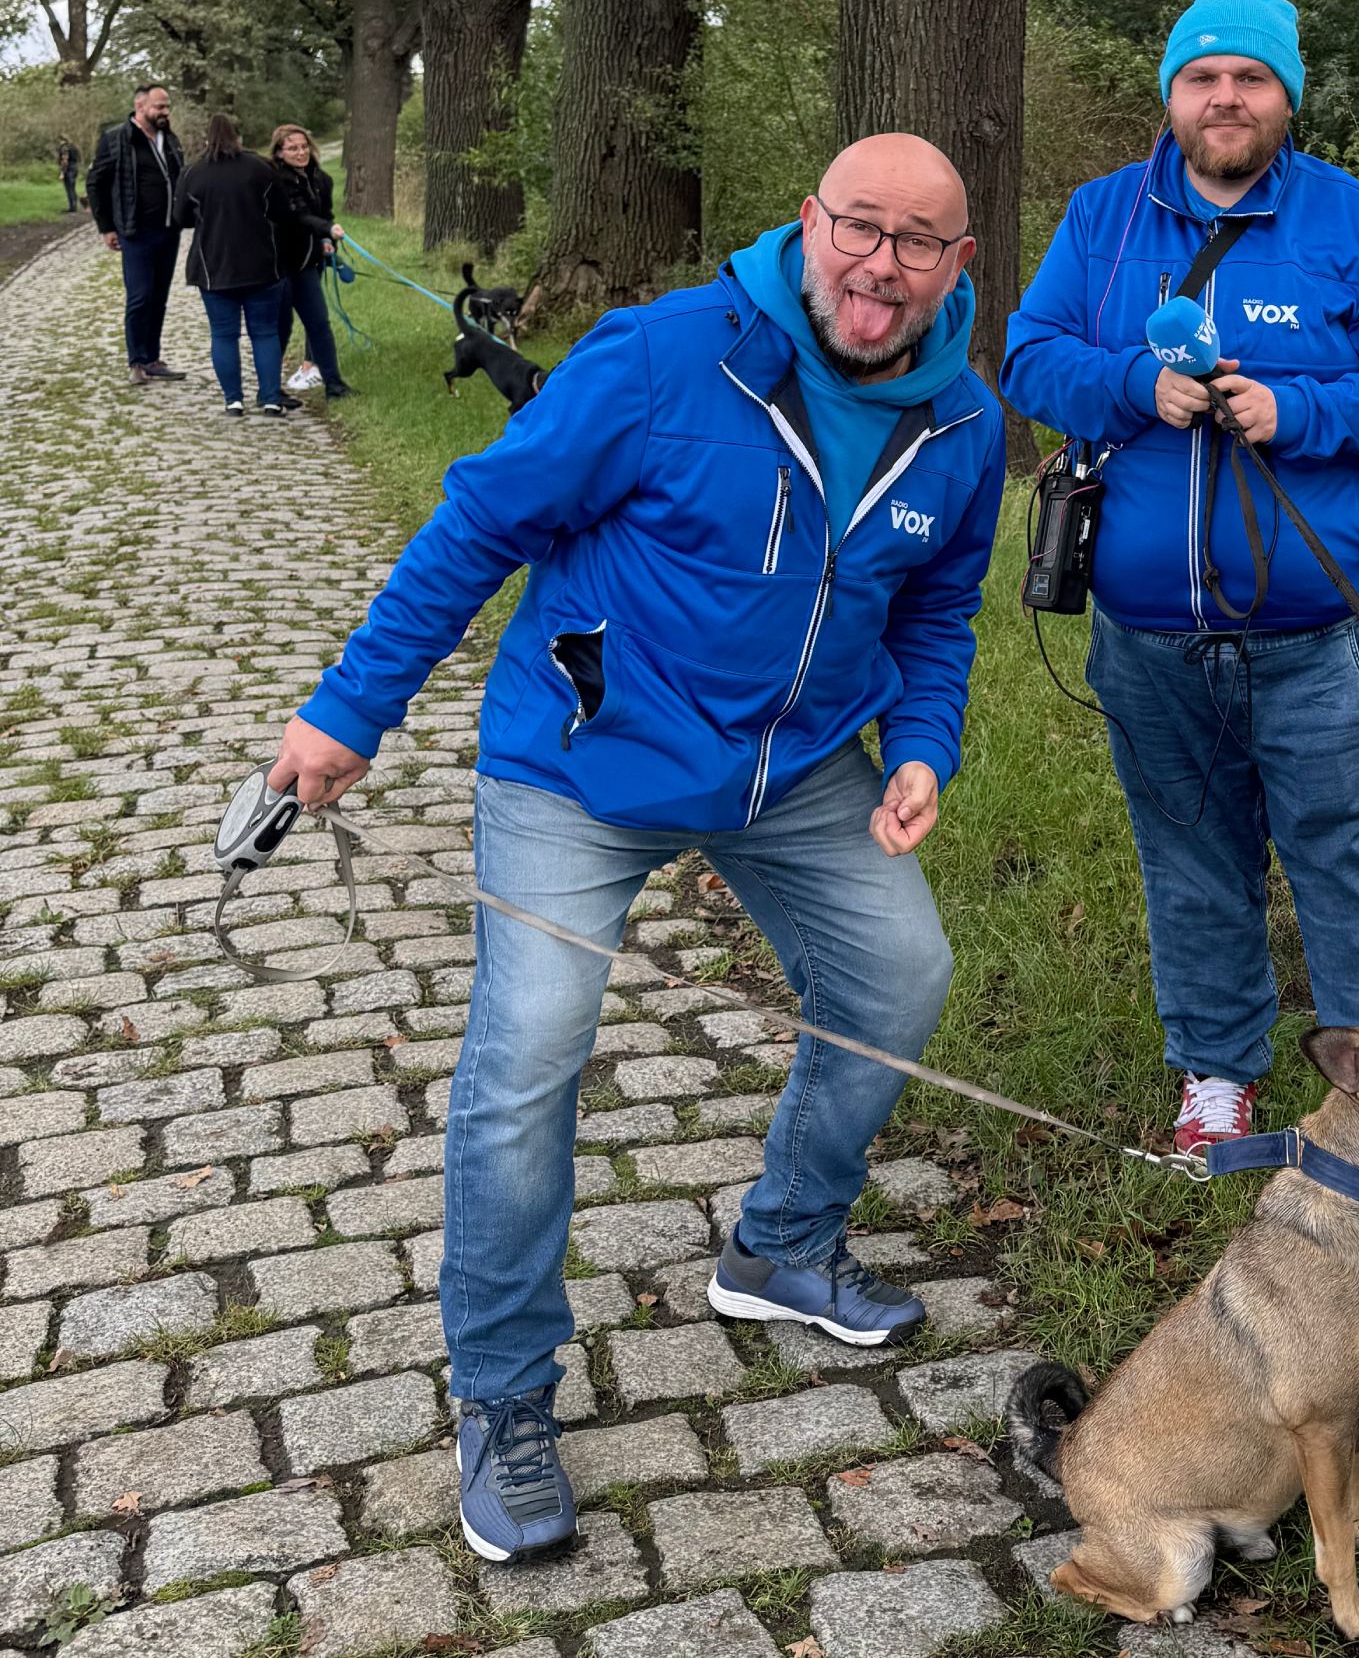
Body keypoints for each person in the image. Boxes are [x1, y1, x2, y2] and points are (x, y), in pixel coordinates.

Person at [265, 133, 1004, 1563]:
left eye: (921, 243)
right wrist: (352, 708)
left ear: (960, 264)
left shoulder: (962, 420)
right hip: (583, 762)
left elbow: (939, 611)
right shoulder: (663, 359)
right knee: (533, 1043)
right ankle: (502, 1393)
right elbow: (481, 519)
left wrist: (924, 743)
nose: (882, 267)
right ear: (807, 223)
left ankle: (783, 1242)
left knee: (905, 974)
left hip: (795, 776)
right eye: (861, 228)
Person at [1002, 0, 1359, 1154]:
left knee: (1354, 869)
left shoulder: (1356, 225)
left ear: (1286, 97)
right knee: (1193, 865)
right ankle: (1215, 1072)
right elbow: (1026, 357)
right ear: (1171, 95)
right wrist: (1127, 386)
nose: (1225, 98)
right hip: (1148, 638)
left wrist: (1297, 408)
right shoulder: (1102, 219)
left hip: (1319, 641)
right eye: (1202, 78)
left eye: (1249, 78)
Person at [172, 112, 290, 418]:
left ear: (205, 140)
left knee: (224, 335)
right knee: (264, 333)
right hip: (262, 263)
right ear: (239, 137)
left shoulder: (192, 173)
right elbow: (281, 210)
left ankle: (233, 400)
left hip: (214, 266)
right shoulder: (261, 168)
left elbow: (181, 218)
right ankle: (271, 398)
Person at [87, 83, 188, 385]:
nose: (165, 112)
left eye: (167, 106)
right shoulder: (117, 138)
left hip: (169, 230)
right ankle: (136, 361)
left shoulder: (168, 139)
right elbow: (95, 183)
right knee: (140, 297)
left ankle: (153, 358)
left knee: (159, 297)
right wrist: (106, 227)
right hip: (136, 231)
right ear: (140, 106)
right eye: (159, 107)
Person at [268, 125, 352, 399]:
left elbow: (324, 213)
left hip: (307, 266)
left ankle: (334, 385)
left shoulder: (321, 179)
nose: (301, 152)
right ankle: (270, 389)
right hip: (279, 266)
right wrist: (326, 229)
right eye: (293, 148)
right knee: (280, 327)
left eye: (304, 146)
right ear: (280, 153)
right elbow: (297, 217)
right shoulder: (276, 182)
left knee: (319, 324)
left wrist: (328, 240)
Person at [55, 136, 80, 213]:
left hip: (68, 169)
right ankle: (74, 205)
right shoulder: (74, 147)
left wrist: (62, 172)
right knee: (73, 187)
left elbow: (64, 161)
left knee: (69, 188)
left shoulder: (64, 148)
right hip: (75, 168)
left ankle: (72, 207)